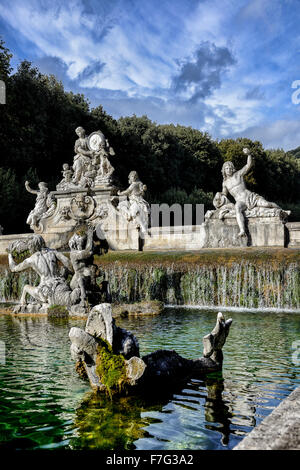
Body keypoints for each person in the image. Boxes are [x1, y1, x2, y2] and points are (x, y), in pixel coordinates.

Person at [221, 148, 280, 237]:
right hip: (240, 201)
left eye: (230, 168)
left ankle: (281, 210)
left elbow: (248, 165)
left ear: (232, 169)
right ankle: (242, 230)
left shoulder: (238, 174)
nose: (228, 170)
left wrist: (249, 154)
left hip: (250, 197)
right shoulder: (225, 183)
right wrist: (218, 196)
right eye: (226, 168)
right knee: (237, 207)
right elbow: (224, 194)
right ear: (224, 170)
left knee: (267, 204)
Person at [8, 235, 80, 306]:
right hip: (61, 284)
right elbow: (68, 262)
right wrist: (73, 273)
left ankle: (26, 292)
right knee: (65, 270)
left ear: (31, 246)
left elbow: (13, 268)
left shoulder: (31, 259)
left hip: (46, 290)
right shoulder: (53, 252)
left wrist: (9, 255)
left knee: (26, 287)